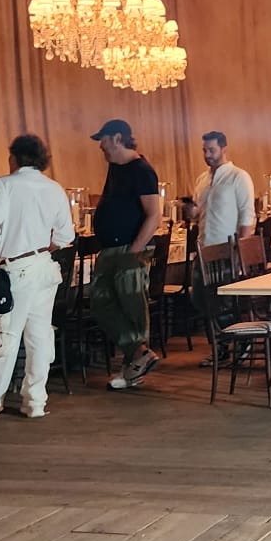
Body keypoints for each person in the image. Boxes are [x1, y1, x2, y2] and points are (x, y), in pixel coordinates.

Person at [0, 133, 75, 421]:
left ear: (15, 157)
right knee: (39, 336)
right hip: (45, 268)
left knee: (4, 333)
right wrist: (39, 249)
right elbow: (65, 236)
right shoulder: (54, 188)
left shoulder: (5, 185)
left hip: (15, 270)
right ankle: (35, 401)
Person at [88, 119, 162, 390]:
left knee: (132, 306)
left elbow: (154, 215)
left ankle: (133, 368)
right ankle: (138, 353)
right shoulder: (115, 168)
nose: (101, 146)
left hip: (129, 248)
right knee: (100, 302)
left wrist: (134, 251)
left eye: (104, 140)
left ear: (118, 138)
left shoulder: (141, 170)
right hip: (110, 248)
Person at [184, 130, 256, 249]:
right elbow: (199, 215)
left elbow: (247, 217)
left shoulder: (239, 177)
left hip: (228, 249)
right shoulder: (201, 179)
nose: (207, 155)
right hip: (203, 248)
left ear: (224, 150)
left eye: (211, 150)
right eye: (204, 151)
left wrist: (241, 251)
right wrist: (192, 211)